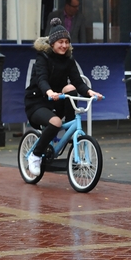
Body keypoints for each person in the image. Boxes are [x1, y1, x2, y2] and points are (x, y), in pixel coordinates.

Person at [25, 19, 103, 175]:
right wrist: (49, 92)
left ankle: (70, 126)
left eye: (67, 42)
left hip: (56, 101)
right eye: (60, 42)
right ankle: (35, 155)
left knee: (70, 88)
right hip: (37, 102)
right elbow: (42, 79)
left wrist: (90, 92)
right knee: (56, 122)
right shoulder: (43, 58)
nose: (64, 45)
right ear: (52, 43)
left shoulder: (69, 60)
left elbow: (78, 82)